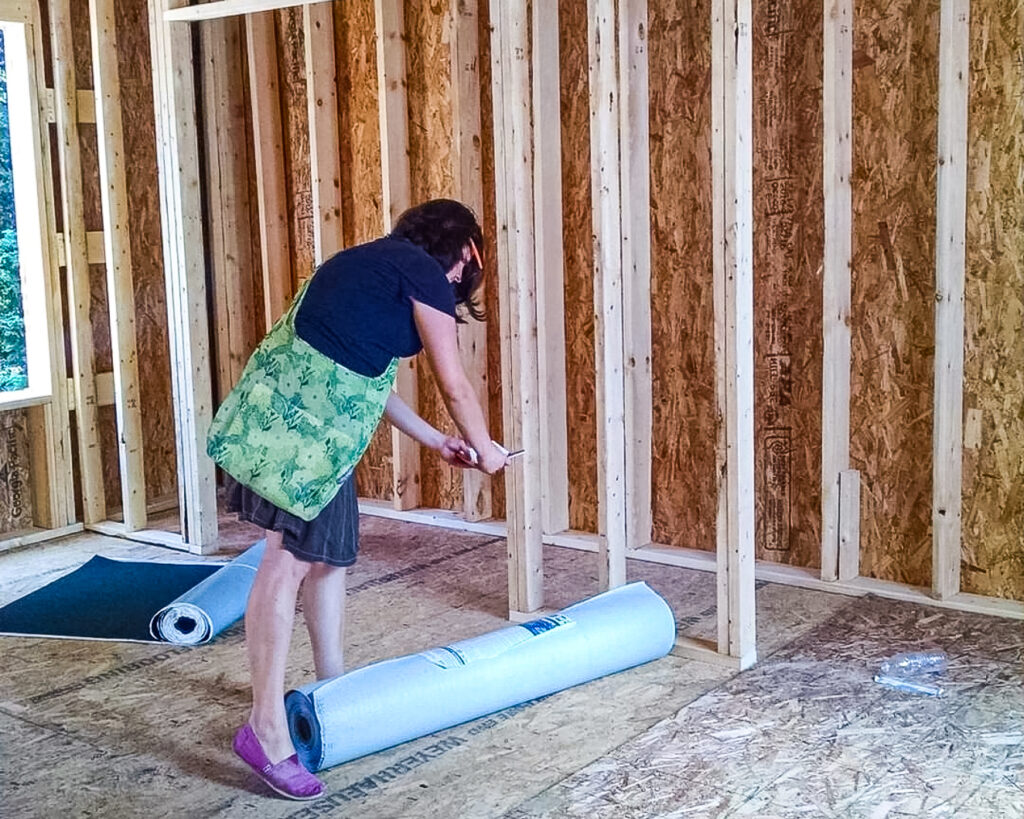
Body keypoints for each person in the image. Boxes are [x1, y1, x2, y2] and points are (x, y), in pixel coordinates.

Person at [208, 199, 509, 800]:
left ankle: (332, 692)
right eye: (464, 271)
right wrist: (487, 448)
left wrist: (437, 442)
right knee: (286, 559)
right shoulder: (422, 272)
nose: (457, 284)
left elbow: (370, 381)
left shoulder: (362, 265)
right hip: (302, 440)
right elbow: (455, 383)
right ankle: (265, 729)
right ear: (467, 251)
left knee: (328, 560)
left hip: (310, 433)